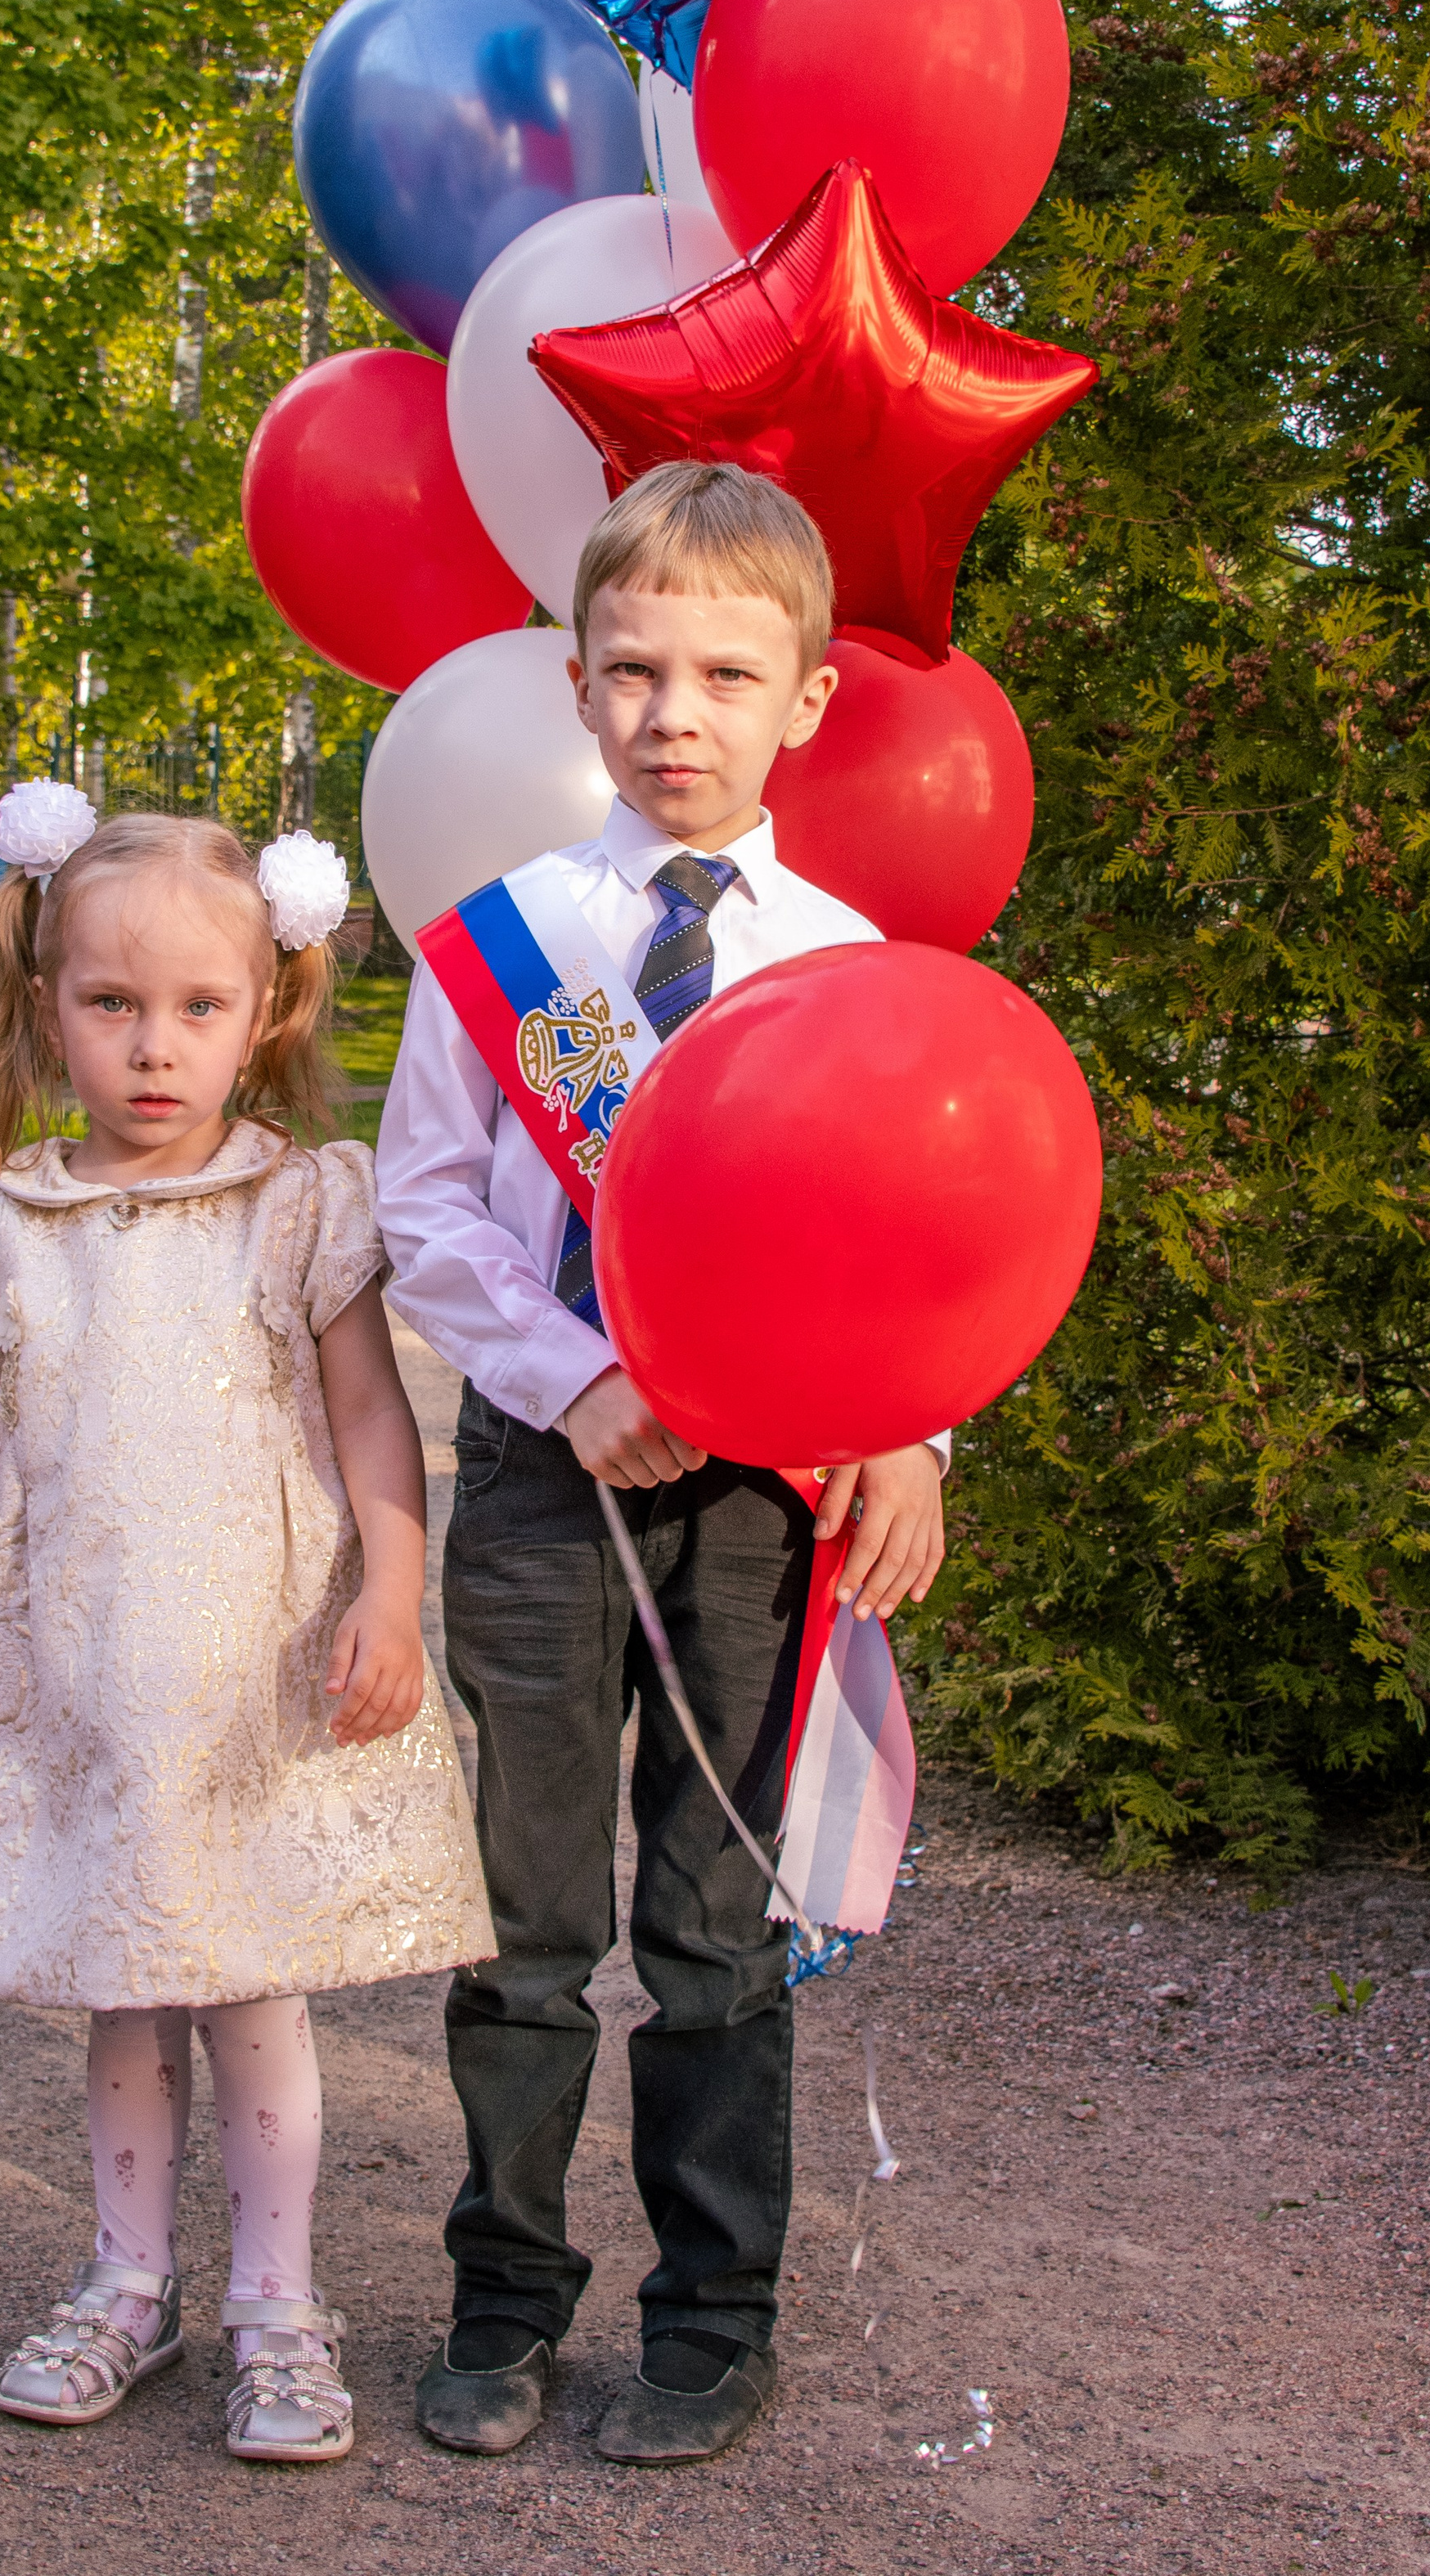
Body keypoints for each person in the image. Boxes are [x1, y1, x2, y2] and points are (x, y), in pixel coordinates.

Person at [376, 462, 949, 2467]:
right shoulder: (504, 946)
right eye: (633, 669)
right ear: (575, 681)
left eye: (725, 670)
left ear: (803, 699)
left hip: (759, 1504)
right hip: (547, 1485)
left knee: (713, 1931)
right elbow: (427, 1213)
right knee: (524, 1926)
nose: (674, 711)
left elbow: (910, 1236)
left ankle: (712, 2321)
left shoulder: (848, 959)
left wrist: (911, 1435)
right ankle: (501, 2304)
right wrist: (556, 1370)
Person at [0, 803, 492, 2466]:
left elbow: (369, 1418)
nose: (155, 1050)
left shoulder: (296, 1211)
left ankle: (280, 2311)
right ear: (44, 995)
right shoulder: (3, 1229)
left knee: (255, 2000)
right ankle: (124, 2287)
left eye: (198, 1010)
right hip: (83, 1685)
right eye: (111, 1006)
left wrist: (388, 1589)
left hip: (254, 1679)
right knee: (123, 1998)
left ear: (267, 1008)